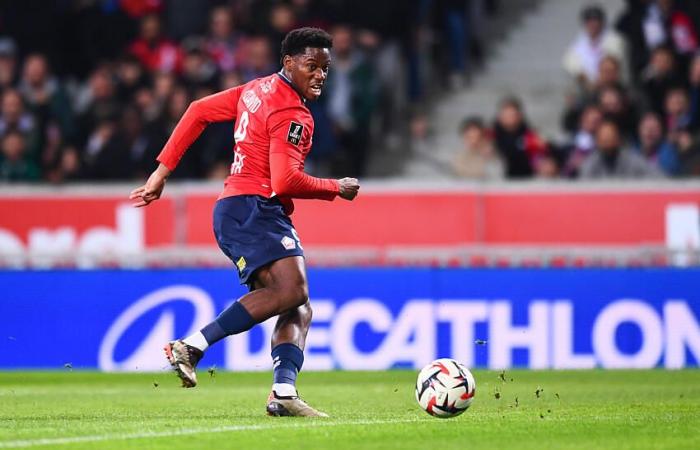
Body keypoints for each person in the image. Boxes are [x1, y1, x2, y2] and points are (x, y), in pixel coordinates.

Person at [129, 27, 360, 417]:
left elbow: (197, 111)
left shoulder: (257, 89)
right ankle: (192, 346)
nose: (320, 74)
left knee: (298, 304)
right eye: (311, 65)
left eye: (325, 67)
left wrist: (161, 172)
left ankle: (283, 393)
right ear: (288, 62)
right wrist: (335, 187)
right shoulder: (292, 111)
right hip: (254, 206)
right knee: (293, 289)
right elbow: (286, 180)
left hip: (239, 208)